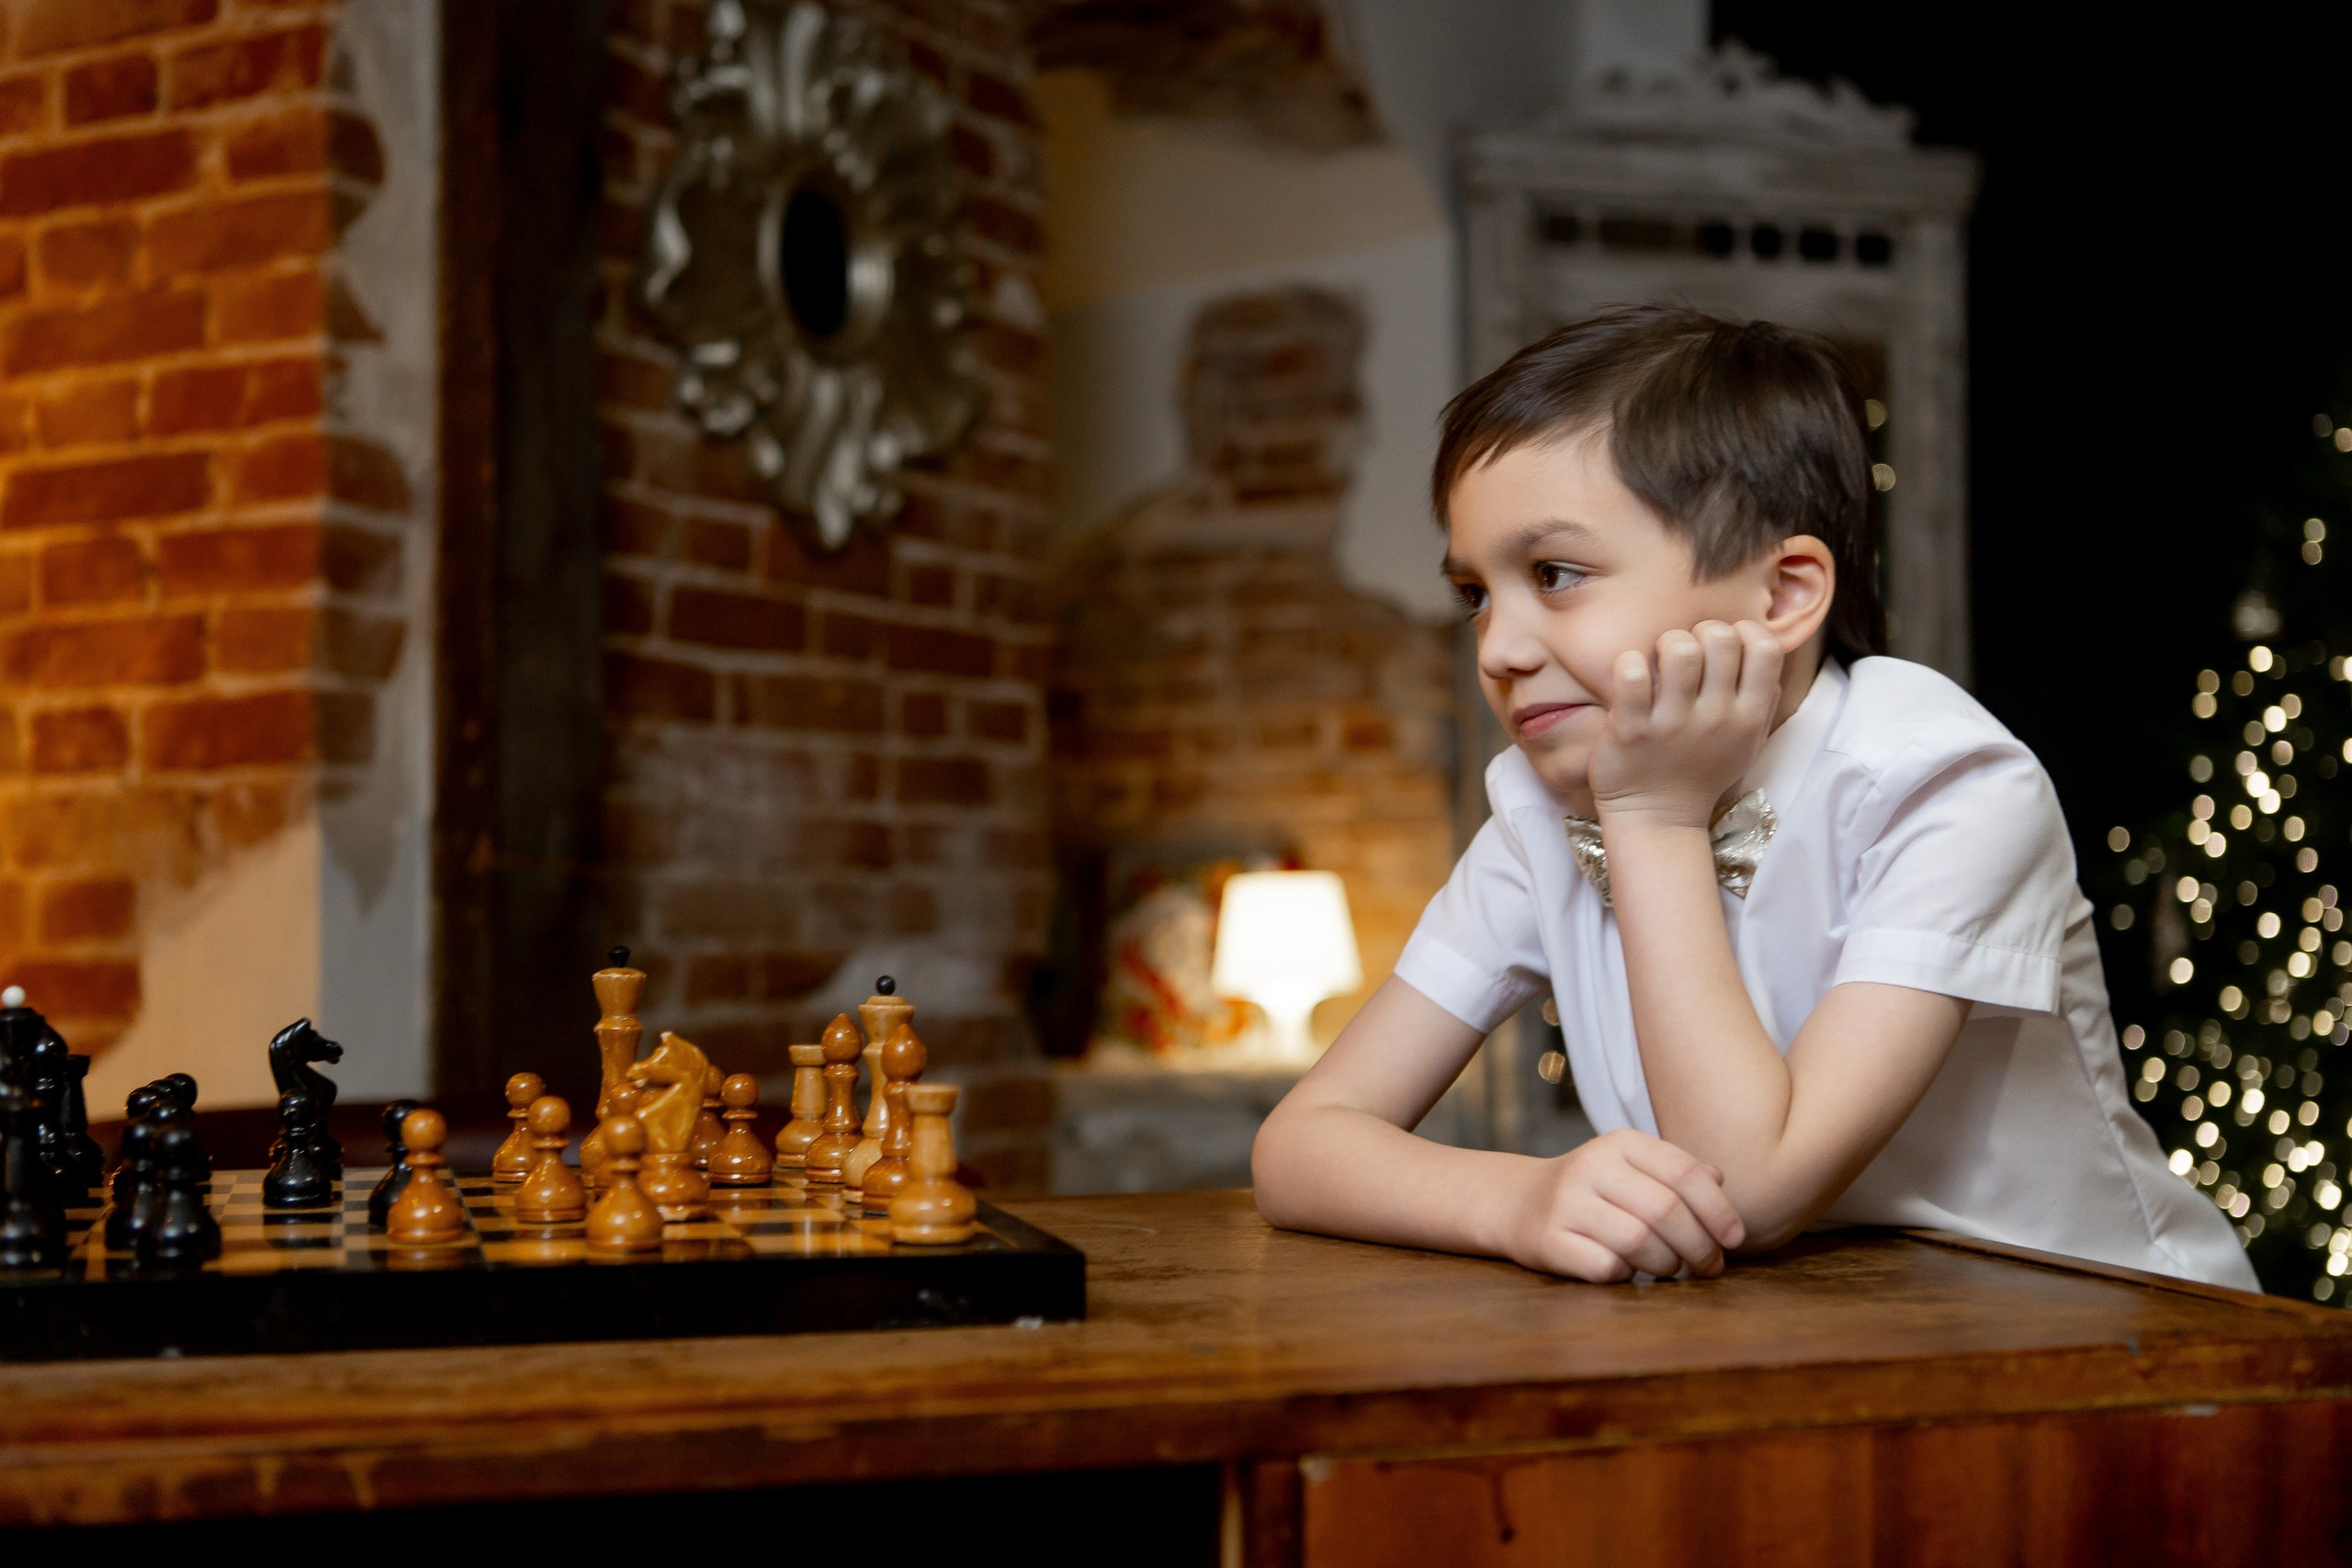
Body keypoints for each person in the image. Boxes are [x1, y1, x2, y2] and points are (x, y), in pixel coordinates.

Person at [1250, 305, 2255, 1290]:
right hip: (1802, 1341)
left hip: (2107, 1346)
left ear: (1780, 597)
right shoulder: (1535, 810)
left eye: (1555, 574)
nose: (1499, 650)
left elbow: (1751, 1189)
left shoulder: (1943, 785)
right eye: (1475, 594)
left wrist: (1650, 818)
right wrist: (1515, 1203)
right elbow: (1298, 1148)